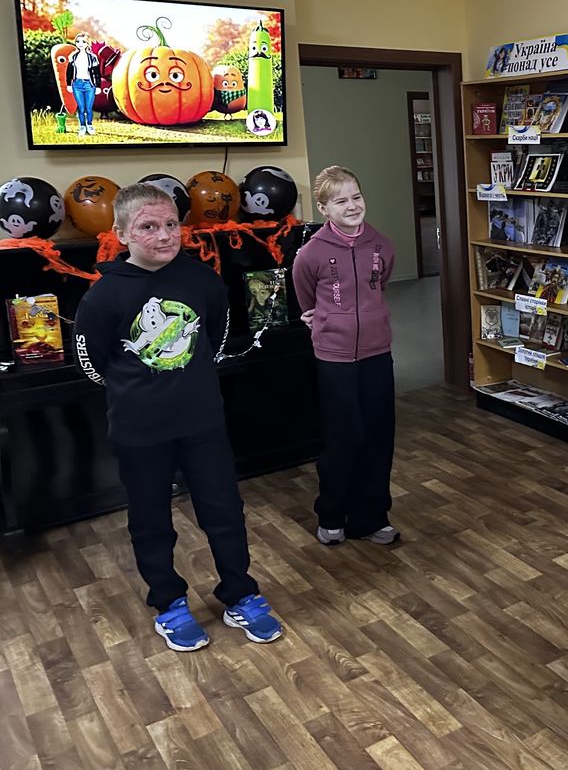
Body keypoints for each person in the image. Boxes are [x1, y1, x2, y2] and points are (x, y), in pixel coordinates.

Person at [74, 183, 284, 651]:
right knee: (151, 518)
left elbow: (215, 337)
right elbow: (93, 365)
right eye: (148, 227)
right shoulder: (103, 297)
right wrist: (141, 391)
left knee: (224, 511)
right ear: (121, 233)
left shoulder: (203, 281)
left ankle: (240, 593)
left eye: (171, 224)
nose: (165, 235)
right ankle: (168, 602)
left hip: (202, 422)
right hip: (139, 430)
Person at [293, 165, 398, 546]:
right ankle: (332, 515)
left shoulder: (381, 245)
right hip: (334, 357)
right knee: (343, 437)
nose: (352, 206)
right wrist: (327, 320)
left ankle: (371, 517)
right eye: (340, 201)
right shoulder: (311, 253)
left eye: (356, 197)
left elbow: (380, 285)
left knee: (379, 435)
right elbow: (306, 298)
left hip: (376, 352)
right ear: (324, 208)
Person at [66, 31, 100, 136]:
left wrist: (98, 86)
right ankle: (82, 126)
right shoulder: (73, 57)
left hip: (89, 85)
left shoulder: (92, 57)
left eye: (83, 42)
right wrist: (68, 84)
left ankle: (89, 125)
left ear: (87, 43)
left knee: (88, 108)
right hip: (77, 84)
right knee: (81, 108)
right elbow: (69, 71)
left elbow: (97, 72)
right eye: (78, 41)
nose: (80, 44)